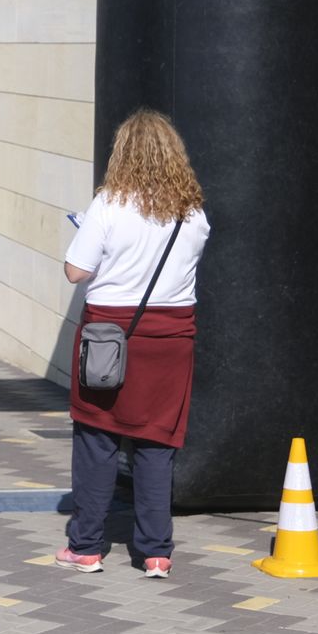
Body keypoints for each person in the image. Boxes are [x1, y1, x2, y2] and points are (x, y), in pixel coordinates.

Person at [55, 109, 210, 579]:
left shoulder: (108, 205)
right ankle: (155, 552)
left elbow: (75, 272)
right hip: (172, 339)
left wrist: (88, 232)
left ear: (122, 154)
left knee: (97, 437)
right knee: (157, 440)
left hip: (109, 336)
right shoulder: (193, 212)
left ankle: (85, 547)